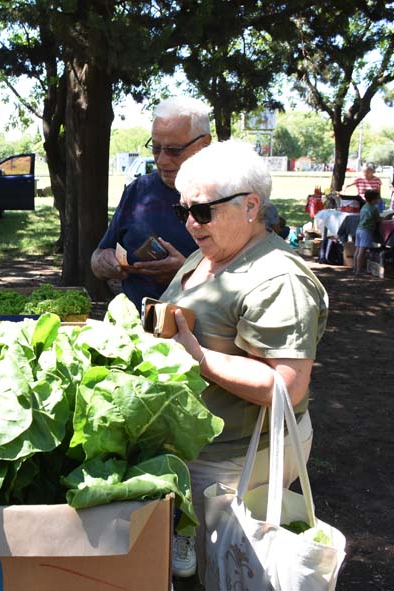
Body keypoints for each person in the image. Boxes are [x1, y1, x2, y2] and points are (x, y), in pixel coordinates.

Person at [160, 140, 329, 583]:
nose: (191, 224)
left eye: (201, 212)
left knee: (233, 571)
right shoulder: (211, 254)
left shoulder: (279, 280)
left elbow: (287, 387)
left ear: (251, 206)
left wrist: (195, 356)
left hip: (236, 460)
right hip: (205, 453)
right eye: (183, 212)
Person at [91, 97, 210, 309]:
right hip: (134, 331)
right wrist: (103, 262)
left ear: (204, 144)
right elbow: (98, 256)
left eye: (174, 150)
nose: (162, 160)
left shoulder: (231, 198)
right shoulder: (138, 190)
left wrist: (184, 274)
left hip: (198, 332)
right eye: (155, 148)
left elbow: (250, 280)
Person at [353, 189, 382, 275]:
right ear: (374, 200)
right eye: (378, 198)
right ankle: (359, 270)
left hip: (359, 229)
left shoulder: (364, 206)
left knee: (357, 250)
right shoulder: (374, 209)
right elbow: (378, 220)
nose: (379, 200)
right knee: (362, 251)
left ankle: (355, 268)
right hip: (366, 230)